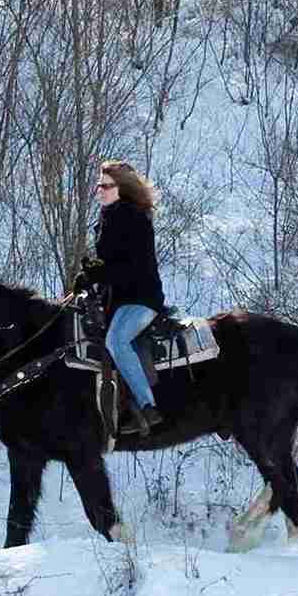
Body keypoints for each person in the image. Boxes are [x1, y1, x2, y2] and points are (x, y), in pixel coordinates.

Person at [89, 159, 166, 437]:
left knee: (116, 340)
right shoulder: (106, 216)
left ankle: (148, 407)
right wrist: (90, 277)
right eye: (99, 184)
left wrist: (99, 273)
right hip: (119, 299)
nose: (100, 189)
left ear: (121, 188)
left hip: (142, 299)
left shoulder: (135, 218)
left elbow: (131, 267)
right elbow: (108, 263)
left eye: (106, 186)